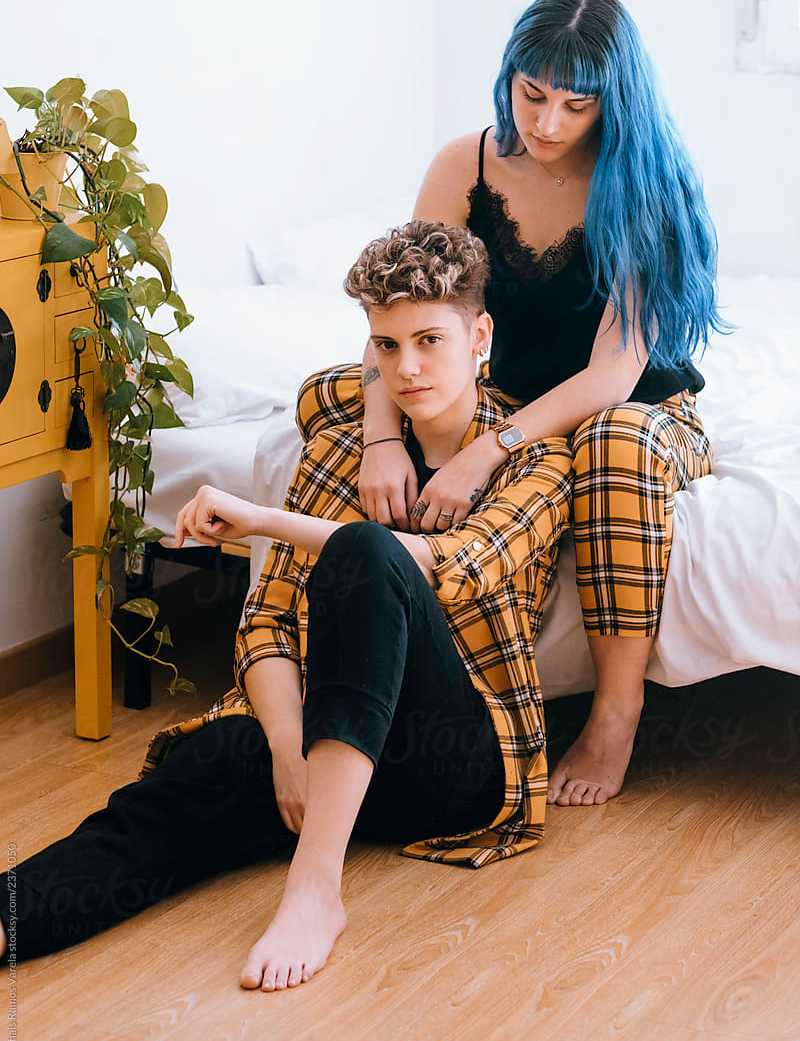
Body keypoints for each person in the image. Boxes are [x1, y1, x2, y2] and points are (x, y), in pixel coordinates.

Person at [0, 221, 573, 990]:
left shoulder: (537, 457)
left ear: (480, 336)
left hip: (451, 762)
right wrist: (282, 748)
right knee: (184, 784)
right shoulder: (342, 447)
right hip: (324, 747)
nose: (407, 367)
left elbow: (455, 568)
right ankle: (11, 916)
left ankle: (315, 887)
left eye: (429, 341)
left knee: (364, 549)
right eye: (387, 345)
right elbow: (266, 620)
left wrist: (265, 520)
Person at [297, 0, 723, 809]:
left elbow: (612, 374)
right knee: (329, 398)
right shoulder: (467, 166)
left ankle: (615, 713)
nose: (549, 123)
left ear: (615, 99)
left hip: (629, 408)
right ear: (511, 76)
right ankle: (347, 655)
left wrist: (486, 451)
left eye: (576, 103)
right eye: (533, 95)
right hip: (498, 399)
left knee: (614, 446)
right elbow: (402, 313)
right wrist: (385, 439)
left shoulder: (643, 185)